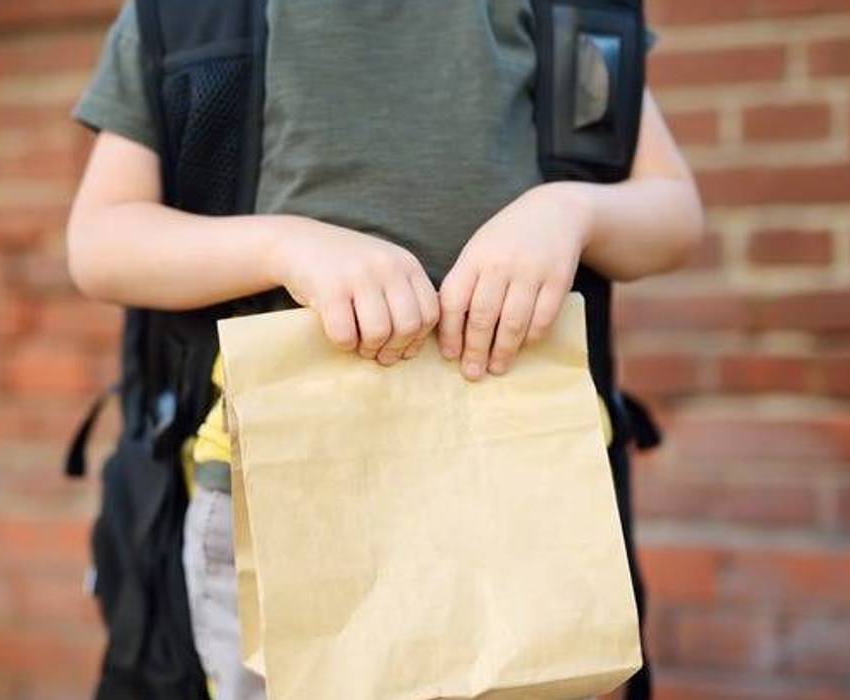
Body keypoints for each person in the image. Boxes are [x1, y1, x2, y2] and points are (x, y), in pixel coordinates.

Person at [67, 3, 704, 699]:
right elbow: (101, 242)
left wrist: (570, 211)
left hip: (521, 485)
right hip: (278, 499)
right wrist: (283, 245)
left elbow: (671, 212)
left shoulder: (566, 14)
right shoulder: (190, 17)